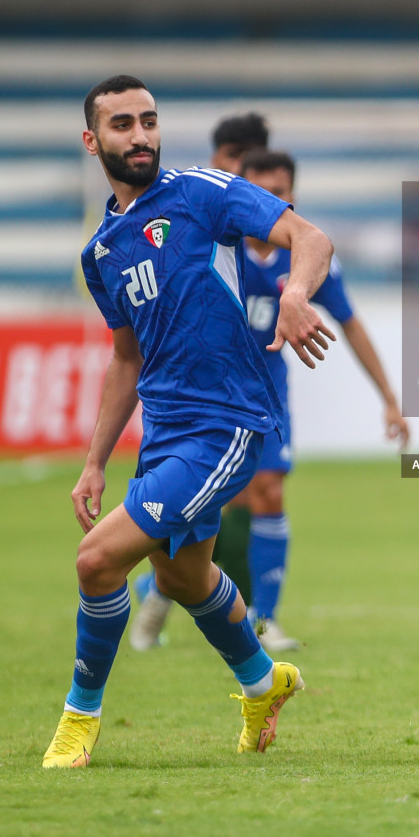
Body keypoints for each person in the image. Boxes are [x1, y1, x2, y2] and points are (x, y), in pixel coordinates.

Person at [41, 76, 336, 767]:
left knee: (96, 561)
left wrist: (295, 292)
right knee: (179, 580)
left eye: (148, 120)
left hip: (228, 421)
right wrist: (94, 461)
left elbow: (308, 236)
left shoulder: (202, 192)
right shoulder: (101, 253)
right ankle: (265, 683)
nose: (140, 135)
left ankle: (79, 718)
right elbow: (124, 360)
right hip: (167, 431)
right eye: (121, 124)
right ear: (93, 141)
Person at [154, 148, 411, 653]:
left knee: (268, 492)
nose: (275, 199)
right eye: (264, 191)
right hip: (210, 397)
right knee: (208, 508)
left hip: (267, 396)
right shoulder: (213, 248)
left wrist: (389, 397)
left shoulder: (303, 257)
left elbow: (350, 323)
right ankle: (159, 583)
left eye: (283, 192)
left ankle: (264, 620)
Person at [129, 112, 274, 647]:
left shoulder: (258, 228)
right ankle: (167, 593)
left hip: (249, 398)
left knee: (261, 497)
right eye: (232, 161)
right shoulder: (200, 215)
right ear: (218, 161)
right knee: (183, 544)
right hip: (190, 405)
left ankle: (259, 619)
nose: (240, 174)